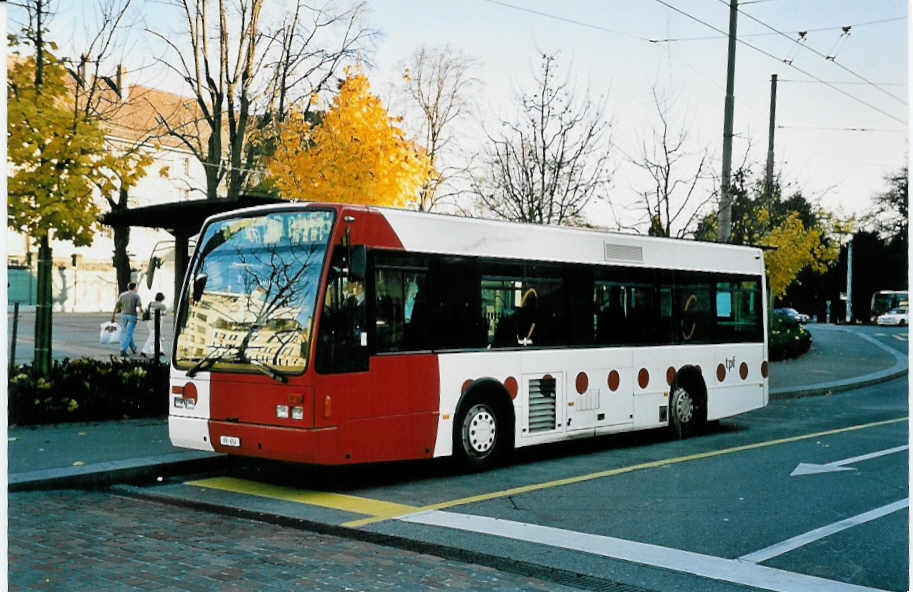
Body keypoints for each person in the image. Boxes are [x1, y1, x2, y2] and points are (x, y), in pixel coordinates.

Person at [112, 282, 142, 356]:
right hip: (132, 316)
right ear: (134, 288)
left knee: (129, 333)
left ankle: (134, 348)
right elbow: (140, 308)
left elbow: (117, 306)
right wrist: (145, 314)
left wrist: (113, 316)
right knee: (128, 334)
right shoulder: (136, 296)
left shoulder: (122, 295)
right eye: (136, 287)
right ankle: (123, 349)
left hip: (124, 316)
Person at [141, 292, 167, 357]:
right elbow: (164, 314)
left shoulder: (151, 303)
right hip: (157, 324)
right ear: (162, 298)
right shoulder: (162, 306)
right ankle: (144, 351)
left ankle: (160, 351)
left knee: (156, 337)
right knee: (152, 338)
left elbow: (147, 311)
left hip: (149, 323)